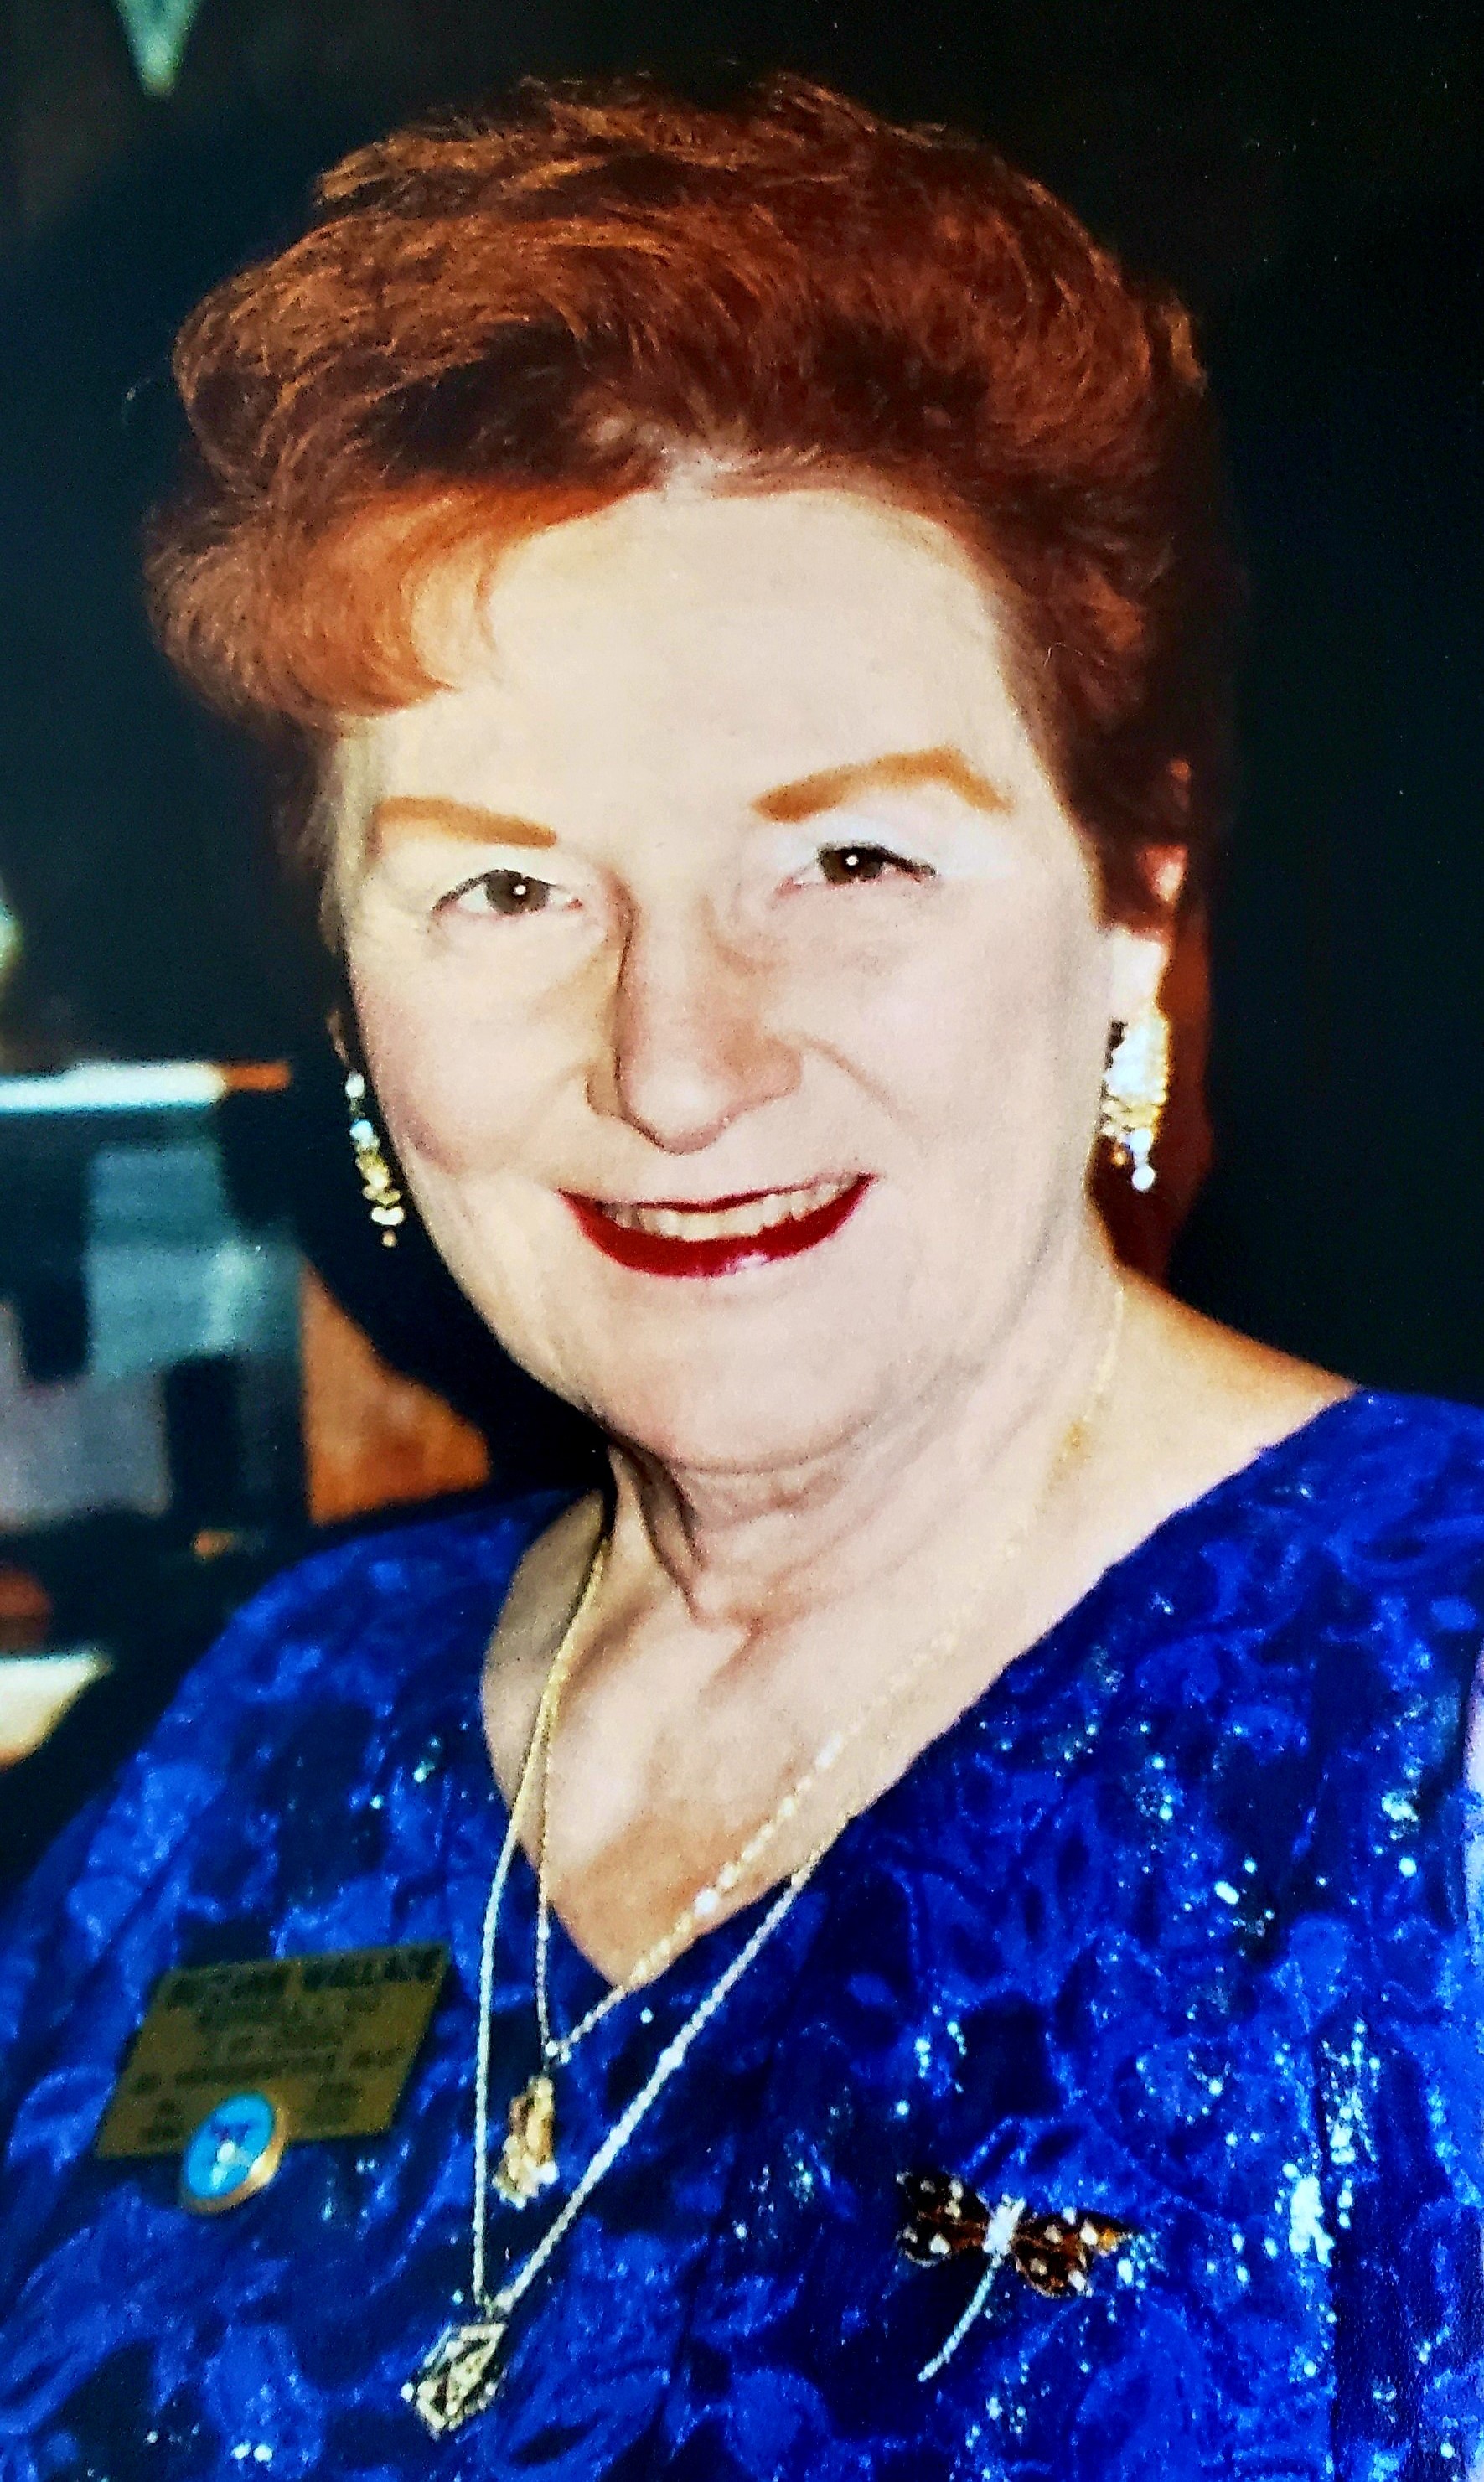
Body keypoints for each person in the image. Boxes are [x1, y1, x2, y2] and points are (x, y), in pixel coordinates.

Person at [3, 76, 1481, 2480]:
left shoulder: (1435, 1716)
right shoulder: (260, 1725)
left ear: (1131, 904)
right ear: (349, 998)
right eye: (505, 890)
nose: (677, 1067)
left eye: (849, 862)